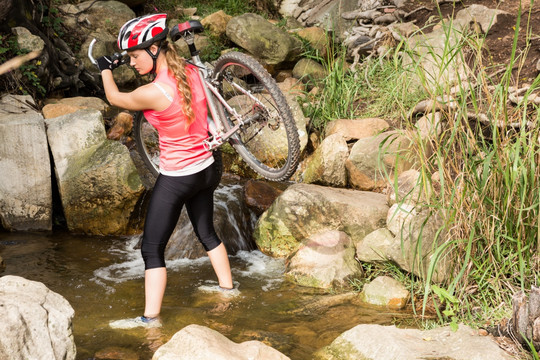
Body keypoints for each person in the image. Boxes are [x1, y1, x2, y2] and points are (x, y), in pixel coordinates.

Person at [96, 13, 235, 329]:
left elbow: (115, 97)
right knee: (206, 232)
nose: (132, 63)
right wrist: (124, 58)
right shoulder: (190, 70)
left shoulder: (155, 92)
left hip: (180, 177)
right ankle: (228, 291)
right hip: (210, 167)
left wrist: (105, 68)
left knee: (151, 248)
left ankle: (150, 320)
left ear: (155, 49)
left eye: (135, 55)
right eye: (128, 58)